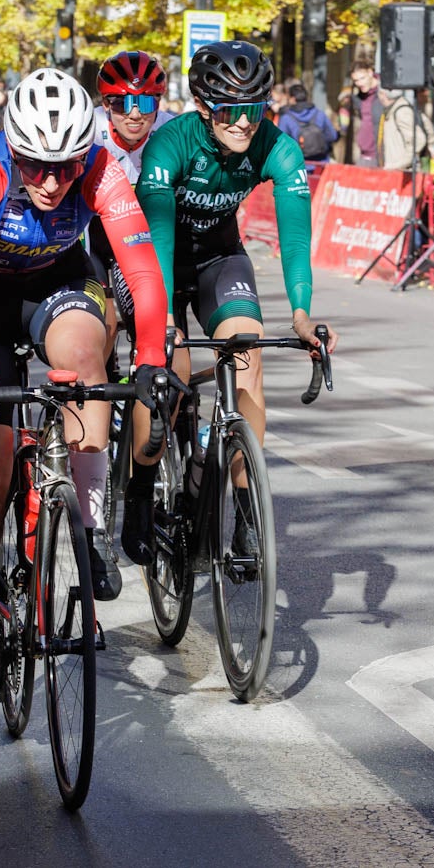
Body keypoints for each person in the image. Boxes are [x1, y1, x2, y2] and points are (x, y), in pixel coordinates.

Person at [0, 67, 174, 704]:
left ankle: (88, 524)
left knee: (87, 359)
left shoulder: (100, 168)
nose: (49, 181)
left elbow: (142, 270)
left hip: (57, 287)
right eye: (36, 166)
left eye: (63, 167)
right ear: (14, 148)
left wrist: (150, 357)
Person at [132, 41, 338, 564]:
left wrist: (300, 314)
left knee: (247, 357)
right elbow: (157, 240)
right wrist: (162, 327)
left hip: (220, 258)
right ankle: (140, 493)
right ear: (202, 105)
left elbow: (294, 241)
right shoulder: (170, 145)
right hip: (160, 260)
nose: (245, 124)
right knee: (168, 374)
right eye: (230, 110)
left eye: (255, 109)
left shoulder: (278, 147)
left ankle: (246, 514)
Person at [86, 51, 175, 388]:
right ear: (106, 105)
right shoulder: (89, 129)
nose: (135, 114)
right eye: (122, 104)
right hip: (92, 234)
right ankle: (95, 400)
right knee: (103, 326)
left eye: (147, 104)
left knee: (148, 317)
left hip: (139, 237)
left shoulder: (170, 130)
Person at [275, 82, 339, 163]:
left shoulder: (286, 118)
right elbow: (333, 136)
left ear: (292, 99)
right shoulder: (319, 114)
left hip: (297, 164)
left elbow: (281, 144)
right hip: (321, 164)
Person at [340, 59, 385, 167]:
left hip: (380, 156)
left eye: (362, 78)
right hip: (364, 154)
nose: (359, 83)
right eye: (356, 80)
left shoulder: (384, 93)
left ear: (370, 72)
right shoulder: (361, 95)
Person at [378, 88, 434, 170]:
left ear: (383, 94)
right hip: (398, 170)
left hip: (404, 171)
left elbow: (418, 140)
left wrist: (399, 164)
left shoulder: (402, 111)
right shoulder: (396, 108)